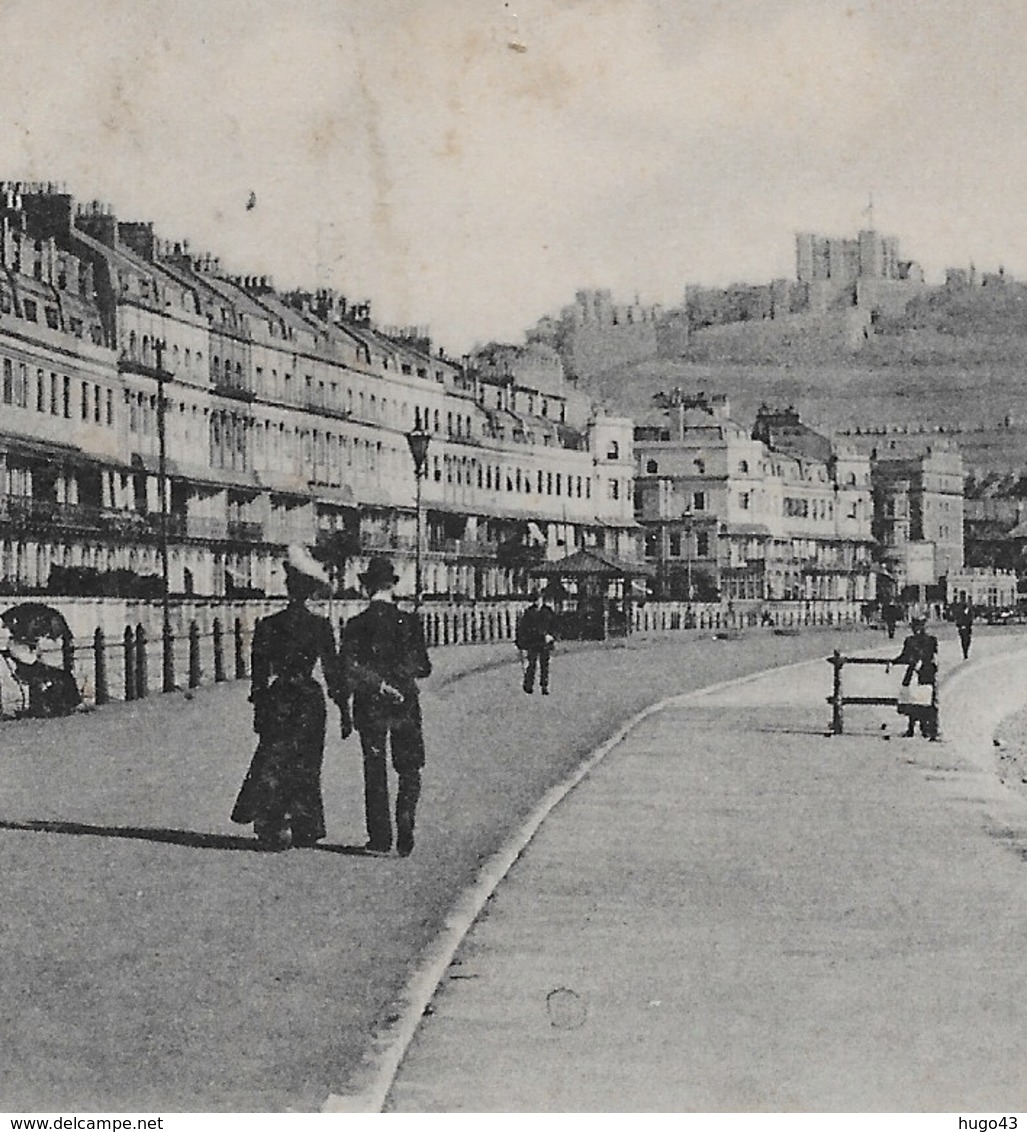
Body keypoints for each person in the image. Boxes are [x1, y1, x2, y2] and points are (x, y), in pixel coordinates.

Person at [231, 545, 347, 850]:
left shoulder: (269, 625)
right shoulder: (320, 625)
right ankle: (304, 824)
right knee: (307, 763)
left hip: (279, 697)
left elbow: (258, 673)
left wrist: (258, 705)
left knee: (273, 758)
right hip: (309, 699)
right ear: (310, 592)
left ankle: (271, 821)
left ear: (288, 588)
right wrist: (344, 709)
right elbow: (332, 670)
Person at [339, 555, 431, 857]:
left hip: (370, 703)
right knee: (409, 766)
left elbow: (349, 666)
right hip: (404, 702)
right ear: (392, 586)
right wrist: (399, 680)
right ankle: (405, 820)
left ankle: (379, 836)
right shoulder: (410, 622)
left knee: (374, 768)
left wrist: (379, 684)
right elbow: (424, 666)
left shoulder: (355, 624)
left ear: (367, 588)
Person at [890, 617, 939, 740]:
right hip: (915, 674)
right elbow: (904, 656)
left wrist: (923, 662)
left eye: (919, 627)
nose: (917, 629)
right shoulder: (910, 641)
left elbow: (933, 656)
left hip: (925, 674)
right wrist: (893, 662)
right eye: (915, 627)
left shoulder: (931, 641)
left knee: (925, 701)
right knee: (912, 701)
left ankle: (928, 729)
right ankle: (912, 728)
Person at [515, 590, 557, 695]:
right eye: (535, 600)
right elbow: (523, 628)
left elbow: (554, 625)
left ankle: (544, 686)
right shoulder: (529, 612)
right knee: (531, 664)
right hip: (533, 642)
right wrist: (520, 642)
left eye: (539, 600)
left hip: (544, 642)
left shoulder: (548, 612)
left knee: (544, 665)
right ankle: (528, 685)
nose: (537, 602)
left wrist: (551, 636)